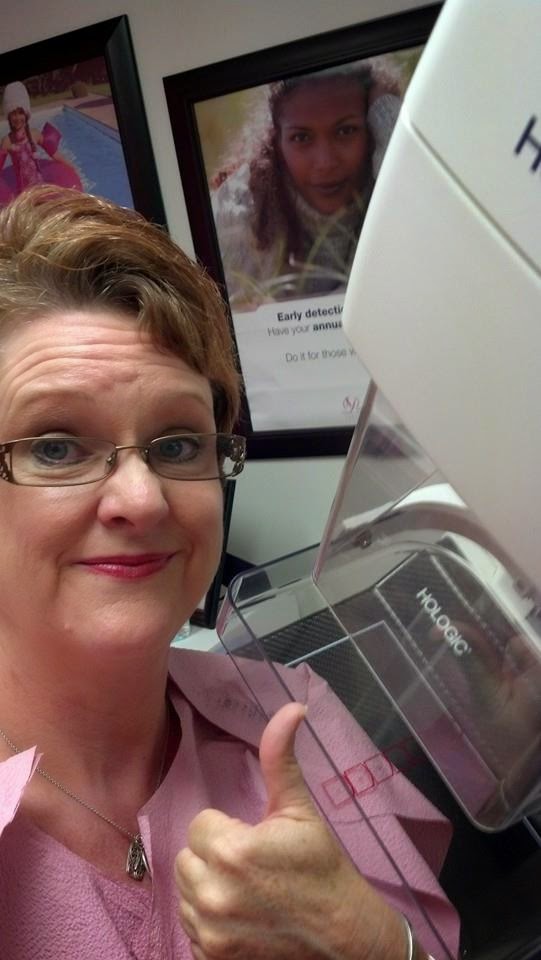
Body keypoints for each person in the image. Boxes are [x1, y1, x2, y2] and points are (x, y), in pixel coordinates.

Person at [0, 185, 459, 959]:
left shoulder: (294, 716)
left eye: (178, 444)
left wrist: (372, 946)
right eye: (56, 447)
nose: (142, 499)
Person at [211, 62, 401, 307]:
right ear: (276, 142)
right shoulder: (240, 209)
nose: (325, 162)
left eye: (345, 131)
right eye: (301, 137)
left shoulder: (389, 184)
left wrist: (387, 115)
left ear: (372, 131)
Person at [0, 80, 82, 202]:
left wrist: (72, 168)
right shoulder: (7, 141)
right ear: (9, 116)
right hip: (25, 193)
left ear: (26, 114)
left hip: (40, 187)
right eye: (13, 114)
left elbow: (54, 154)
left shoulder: (34, 134)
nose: (17, 118)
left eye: (21, 113)